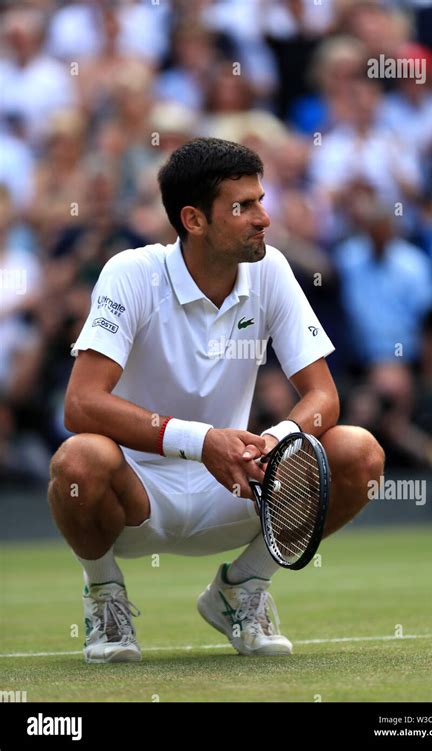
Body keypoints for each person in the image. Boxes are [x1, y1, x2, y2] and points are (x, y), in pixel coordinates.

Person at [48, 137, 385, 663]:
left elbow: (323, 396)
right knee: (78, 459)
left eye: (261, 201)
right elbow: (81, 405)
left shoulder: (271, 269)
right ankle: (105, 595)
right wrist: (200, 440)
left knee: (359, 452)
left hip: (238, 485)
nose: (263, 218)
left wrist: (276, 442)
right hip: (136, 495)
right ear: (194, 219)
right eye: (242, 206)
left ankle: (242, 588)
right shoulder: (130, 272)